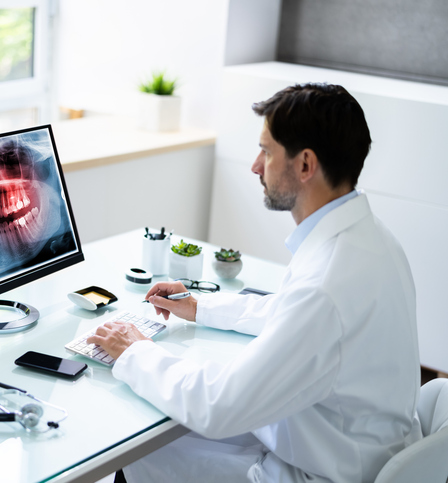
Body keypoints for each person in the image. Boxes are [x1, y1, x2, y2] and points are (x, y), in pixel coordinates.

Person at [87, 83, 423, 482]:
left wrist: (135, 351)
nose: (254, 166)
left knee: (139, 450)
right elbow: (292, 311)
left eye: (266, 151)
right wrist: (201, 306)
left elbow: (217, 406)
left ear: (304, 165)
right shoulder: (370, 241)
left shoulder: (326, 285)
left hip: (319, 471)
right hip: (347, 444)